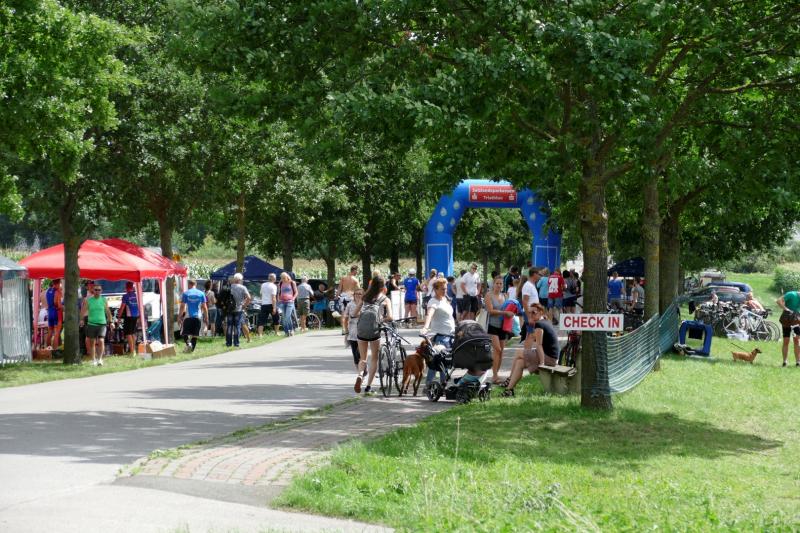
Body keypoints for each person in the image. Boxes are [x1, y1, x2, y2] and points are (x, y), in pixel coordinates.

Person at [503, 303, 559, 396]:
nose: (531, 315)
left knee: (518, 352)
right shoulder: (544, 321)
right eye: (529, 313)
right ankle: (509, 390)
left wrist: (542, 363)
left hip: (549, 358)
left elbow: (539, 345)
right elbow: (532, 342)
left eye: (534, 312)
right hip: (550, 356)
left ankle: (509, 378)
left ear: (541, 312)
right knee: (520, 362)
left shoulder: (539, 324)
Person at [354, 275, 392, 394]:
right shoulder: (385, 299)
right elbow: (390, 317)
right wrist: (381, 319)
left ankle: (360, 375)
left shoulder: (365, 297)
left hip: (362, 330)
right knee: (374, 358)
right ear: (382, 287)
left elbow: (354, 313)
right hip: (374, 331)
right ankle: (368, 386)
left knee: (363, 358)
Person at [421, 278, 456, 388]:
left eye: (445, 289)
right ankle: (430, 386)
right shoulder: (433, 301)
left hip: (450, 336)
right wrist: (426, 327)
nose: (445, 291)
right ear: (435, 290)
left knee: (443, 363)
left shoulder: (445, 299)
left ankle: (440, 386)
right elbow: (429, 314)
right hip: (440, 337)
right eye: (442, 289)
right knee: (437, 362)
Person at [485, 276, 514, 384]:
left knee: (501, 351)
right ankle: (495, 375)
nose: (499, 285)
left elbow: (509, 309)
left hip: (503, 326)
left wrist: (512, 312)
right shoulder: (489, 295)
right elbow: (490, 311)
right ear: (493, 284)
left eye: (501, 283)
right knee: (497, 349)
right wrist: (504, 313)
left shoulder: (505, 295)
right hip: (492, 325)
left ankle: (495, 375)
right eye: (497, 283)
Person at [80, 283, 113, 366]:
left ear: (101, 291)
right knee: (92, 342)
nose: (97, 291)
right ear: (93, 291)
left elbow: (108, 312)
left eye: (99, 290)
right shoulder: (89, 300)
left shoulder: (103, 300)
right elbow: (83, 311)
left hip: (102, 324)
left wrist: (111, 322)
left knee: (101, 341)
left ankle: (100, 359)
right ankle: (93, 359)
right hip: (91, 324)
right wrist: (81, 320)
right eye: (96, 290)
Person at [179, 280, 208, 353]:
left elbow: (182, 306)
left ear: (189, 284)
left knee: (184, 333)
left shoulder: (186, 293)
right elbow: (204, 307)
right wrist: (206, 317)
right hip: (198, 317)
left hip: (188, 317)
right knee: (195, 335)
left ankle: (188, 344)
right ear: (196, 284)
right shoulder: (201, 293)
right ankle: (191, 350)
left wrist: (179, 316)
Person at [521, 268, 542, 356]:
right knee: (531, 335)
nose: (540, 276)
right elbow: (525, 301)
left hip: (533, 313)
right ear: (534, 274)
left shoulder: (532, 285)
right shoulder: (528, 285)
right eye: (539, 274)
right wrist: (529, 317)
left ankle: (527, 354)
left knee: (530, 335)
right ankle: (527, 355)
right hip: (530, 314)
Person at [776, 290, 800, 367]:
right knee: (786, 340)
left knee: (797, 340)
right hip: (787, 319)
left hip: (796, 320)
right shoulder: (791, 294)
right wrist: (786, 309)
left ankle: (798, 362)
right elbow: (779, 301)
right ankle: (785, 361)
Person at [226, 273, 251, 347]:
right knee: (237, 326)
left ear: (234, 279)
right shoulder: (243, 287)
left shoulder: (228, 287)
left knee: (229, 326)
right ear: (240, 280)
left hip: (229, 309)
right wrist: (244, 305)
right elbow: (249, 298)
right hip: (239, 309)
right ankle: (236, 343)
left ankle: (228, 343)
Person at [342, 289, 364, 370]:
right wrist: (346, 330)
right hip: (352, 332)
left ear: (363, 295)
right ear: (354, 295)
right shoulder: (349, 305)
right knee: (355, 354)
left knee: (360, 353)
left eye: (360, 294)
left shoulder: (365, 304)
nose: (358, 295)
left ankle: (362, 368)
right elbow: (345, 318)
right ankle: (359, 370)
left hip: (363, 331)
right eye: (356, 294)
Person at [117, 281, 140, 354]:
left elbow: (122, 307)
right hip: (136, 316)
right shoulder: (137, 295)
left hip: (129, 316)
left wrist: (119, 317)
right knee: (133, 332)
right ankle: (134, 350)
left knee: (128, 333)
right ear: (132, 287)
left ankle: (132, 351)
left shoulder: (125, 296)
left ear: (126, 288)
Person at [338, 265, 361, 333]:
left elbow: (339, 288)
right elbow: (359, 290)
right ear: (354, 270)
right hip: (351, 297)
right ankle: (349, 328)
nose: (357, 272)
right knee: (351, 312)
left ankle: (343, 329)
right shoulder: (355, 280)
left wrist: (336, 296)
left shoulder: (343, 278)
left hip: (343, 297)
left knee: (343, 313)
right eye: (357, 271)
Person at [45, 278, 63, 350]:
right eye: (59, 283)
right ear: (58, 283)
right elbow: (57, 303)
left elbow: (48, 302)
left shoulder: (48, 291)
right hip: (56, 312)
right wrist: (62, 307)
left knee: (50, 331)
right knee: (56, 333)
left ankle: (48, 349)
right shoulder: (57, 292)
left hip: (50, 312)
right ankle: (54, 351)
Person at [277, 272, 298, 336]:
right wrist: (278, 299)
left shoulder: (292, 283)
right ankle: (286, 331)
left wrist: (293, 299)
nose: (283, 279)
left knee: (287, 316)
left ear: (287, 277)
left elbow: (296, 292)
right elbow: (278, 293)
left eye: (284, 278)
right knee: (284, 317)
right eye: (282, 278)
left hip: (290, 302)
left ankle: (291, 330)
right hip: (282, 302)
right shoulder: (280, 283)